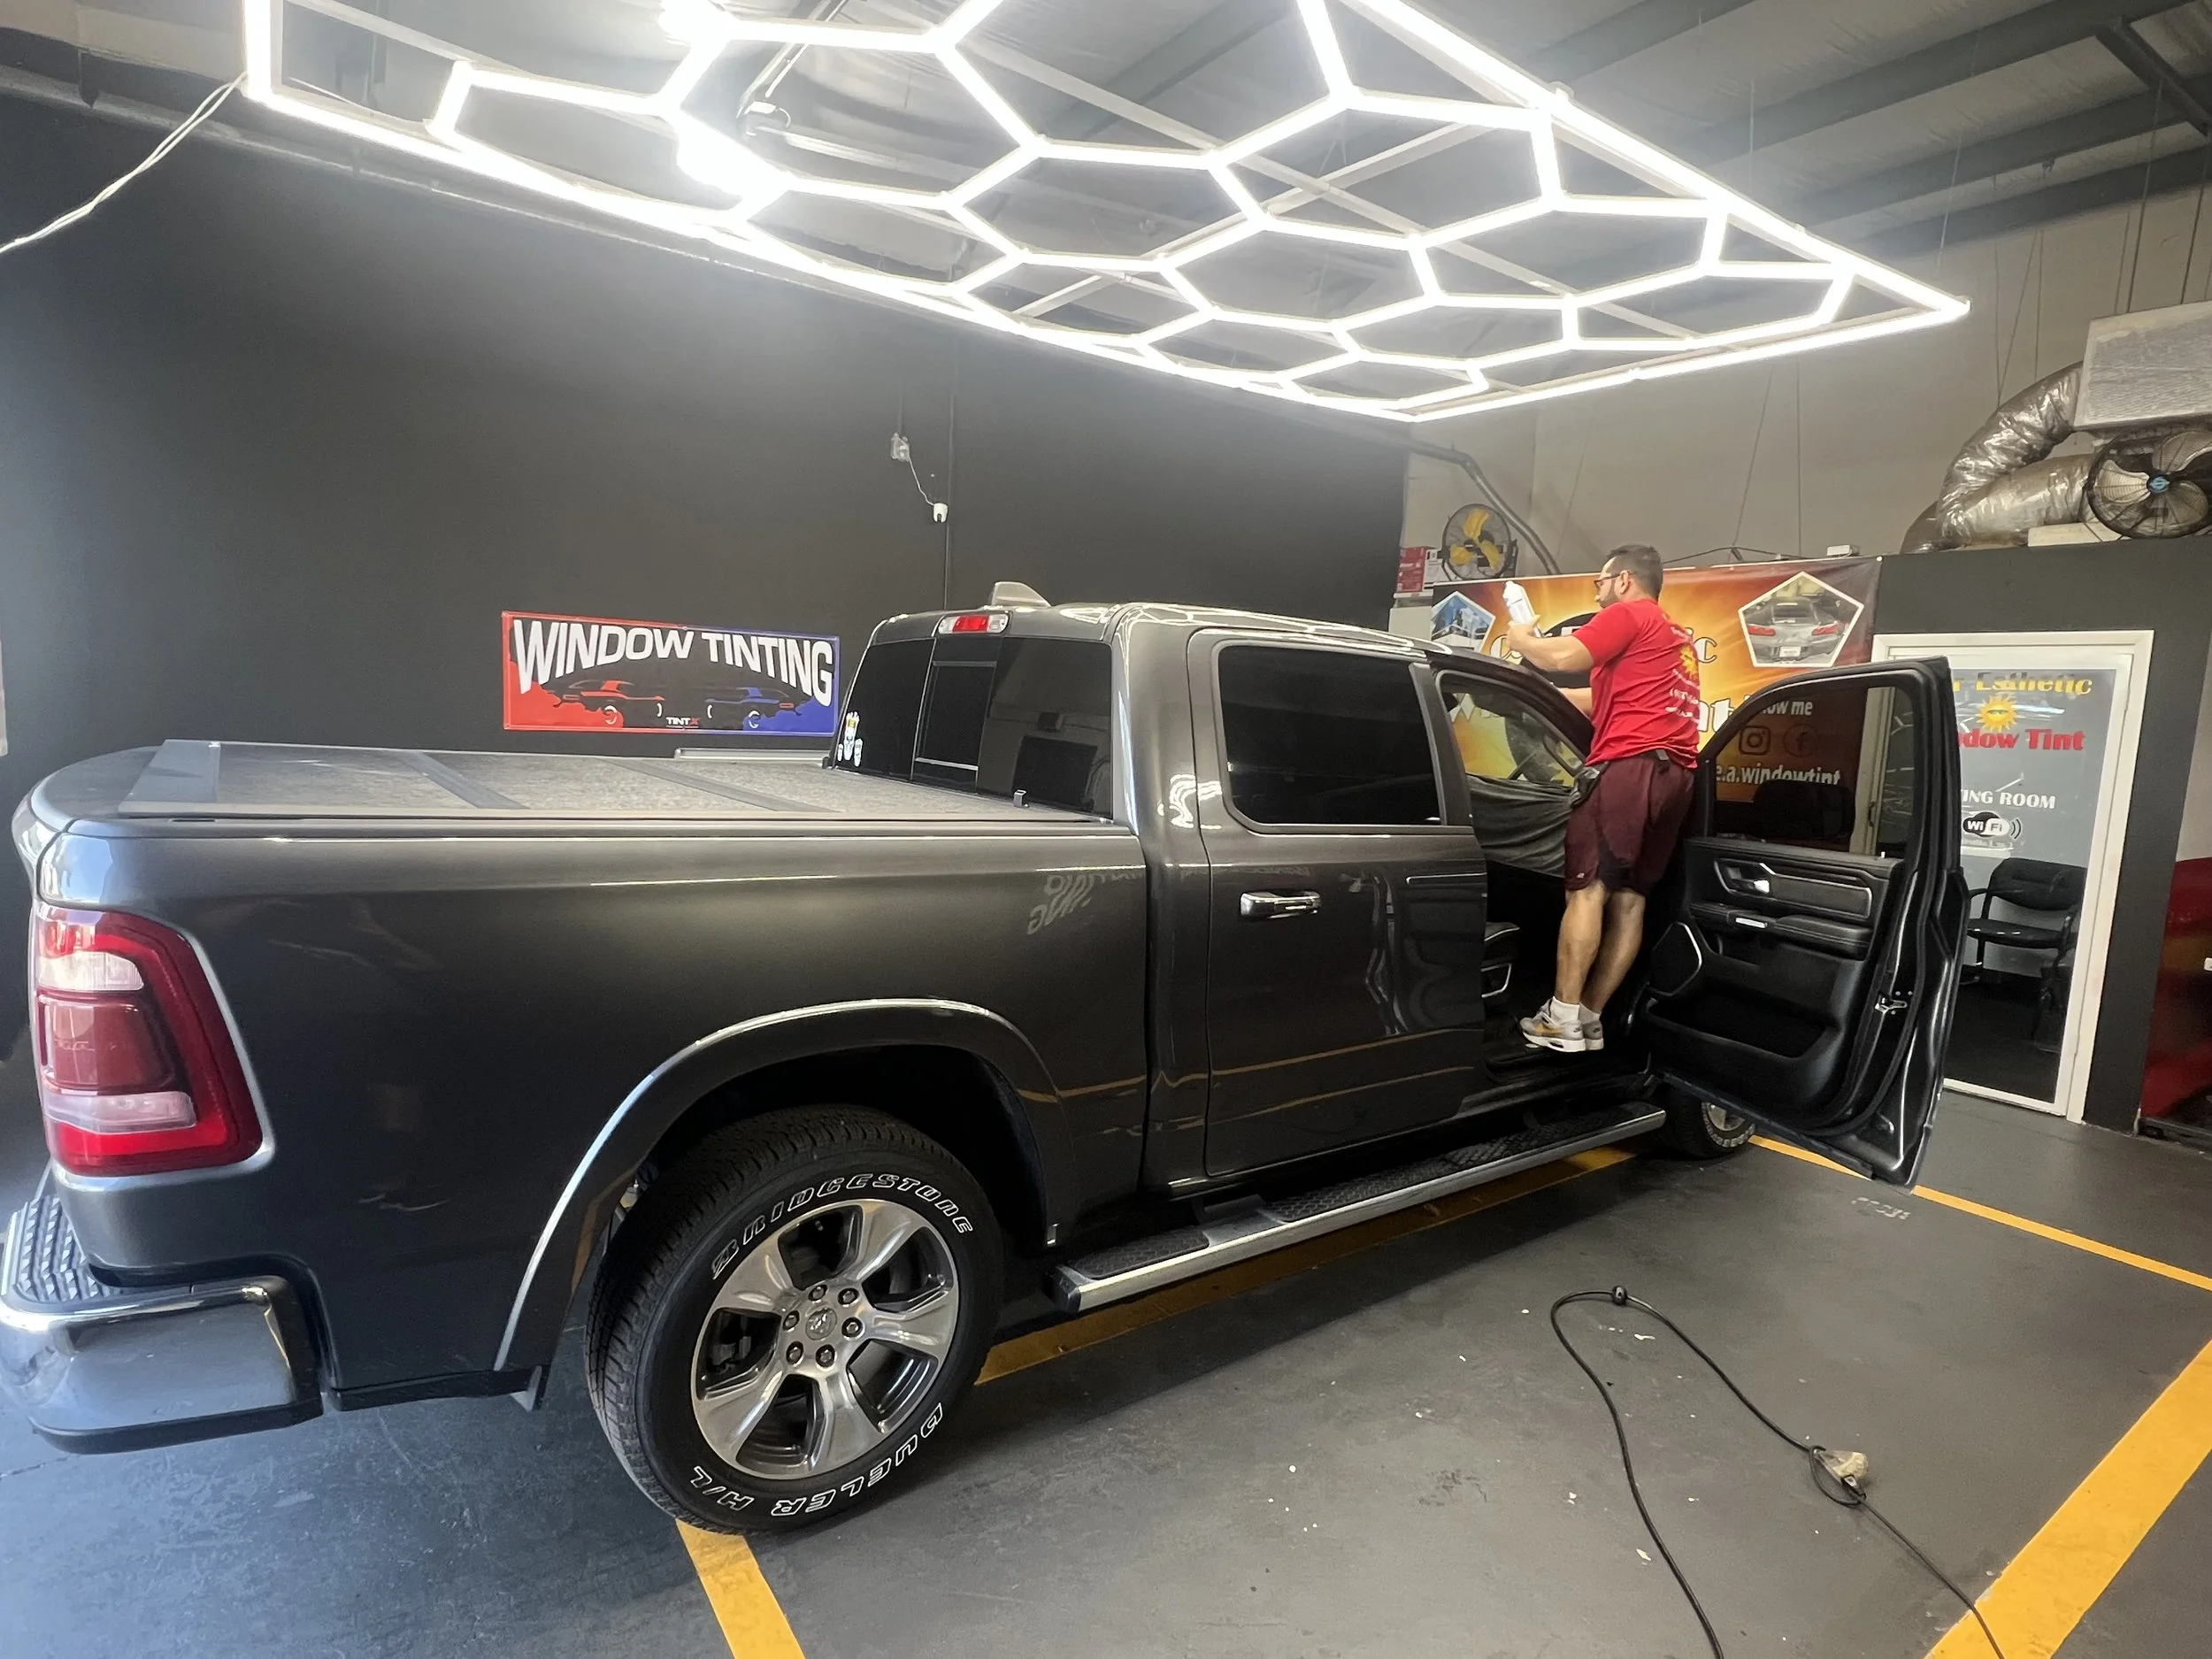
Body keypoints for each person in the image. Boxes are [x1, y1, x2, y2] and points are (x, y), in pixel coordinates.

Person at [1504, 544, 1701, 1054]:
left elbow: (1561, 657)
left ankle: (1559, 1019)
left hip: (1628, 769)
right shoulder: (1675, 636)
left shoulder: (1630, 614)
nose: (1597, 592)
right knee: (1630, 899)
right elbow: (1600, 700)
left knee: (1587, 890)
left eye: (1601, 581)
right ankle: (1589, 1019)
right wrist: (1527, 696)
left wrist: (1522, 639)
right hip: (1675, 776)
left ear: (1625, 580)